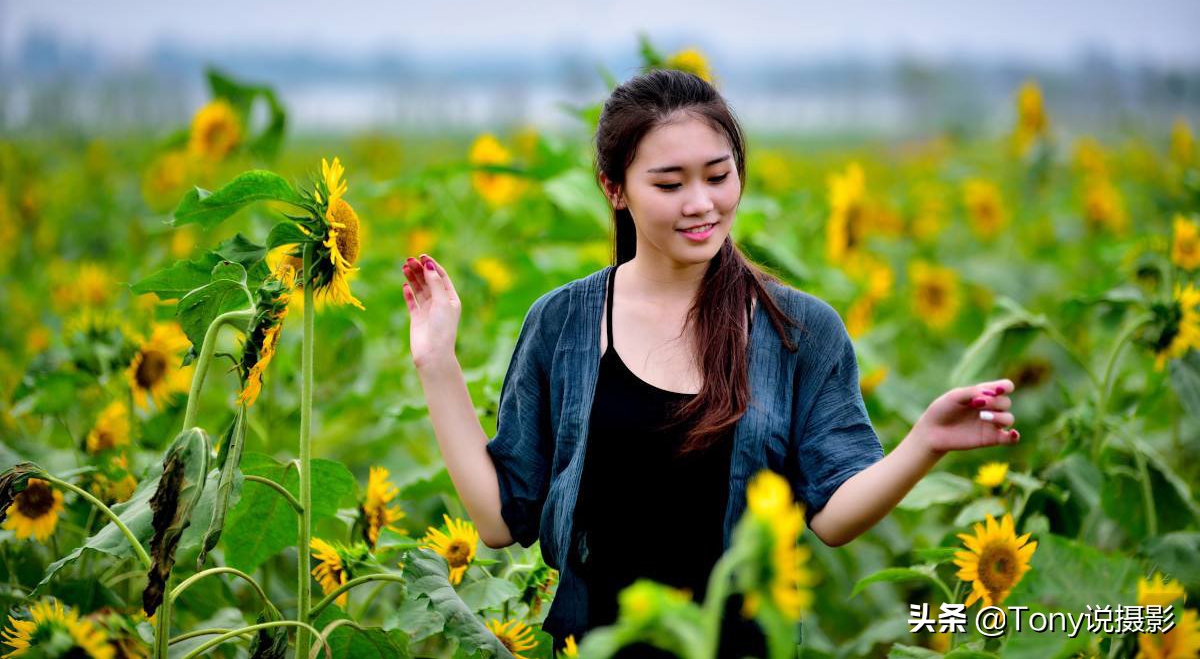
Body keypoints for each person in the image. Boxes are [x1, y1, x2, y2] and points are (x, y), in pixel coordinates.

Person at [402, 69, 1021, 657]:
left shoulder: (800, 333)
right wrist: (437, 363)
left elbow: (832, 516)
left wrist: (925, 442)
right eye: (670, 184)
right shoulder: (563, 324)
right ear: (614, 189)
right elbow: (500, 518)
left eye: (718, 176)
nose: (701, 203)